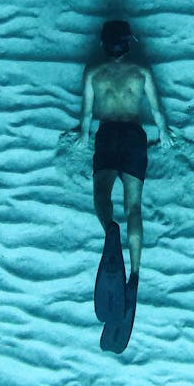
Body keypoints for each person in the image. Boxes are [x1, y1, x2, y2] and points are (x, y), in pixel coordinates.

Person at [79, 20, 172, 306]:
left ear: (103, 45)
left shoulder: (93, 71)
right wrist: (165, 134)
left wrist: (83, 137)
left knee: (101, 194)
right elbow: (156, 109)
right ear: (128, 45)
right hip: (133, 136)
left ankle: (109, 229)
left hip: (107, 135)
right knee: (134, 208)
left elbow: (86, 116)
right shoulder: (141, 70)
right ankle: (134, 272)